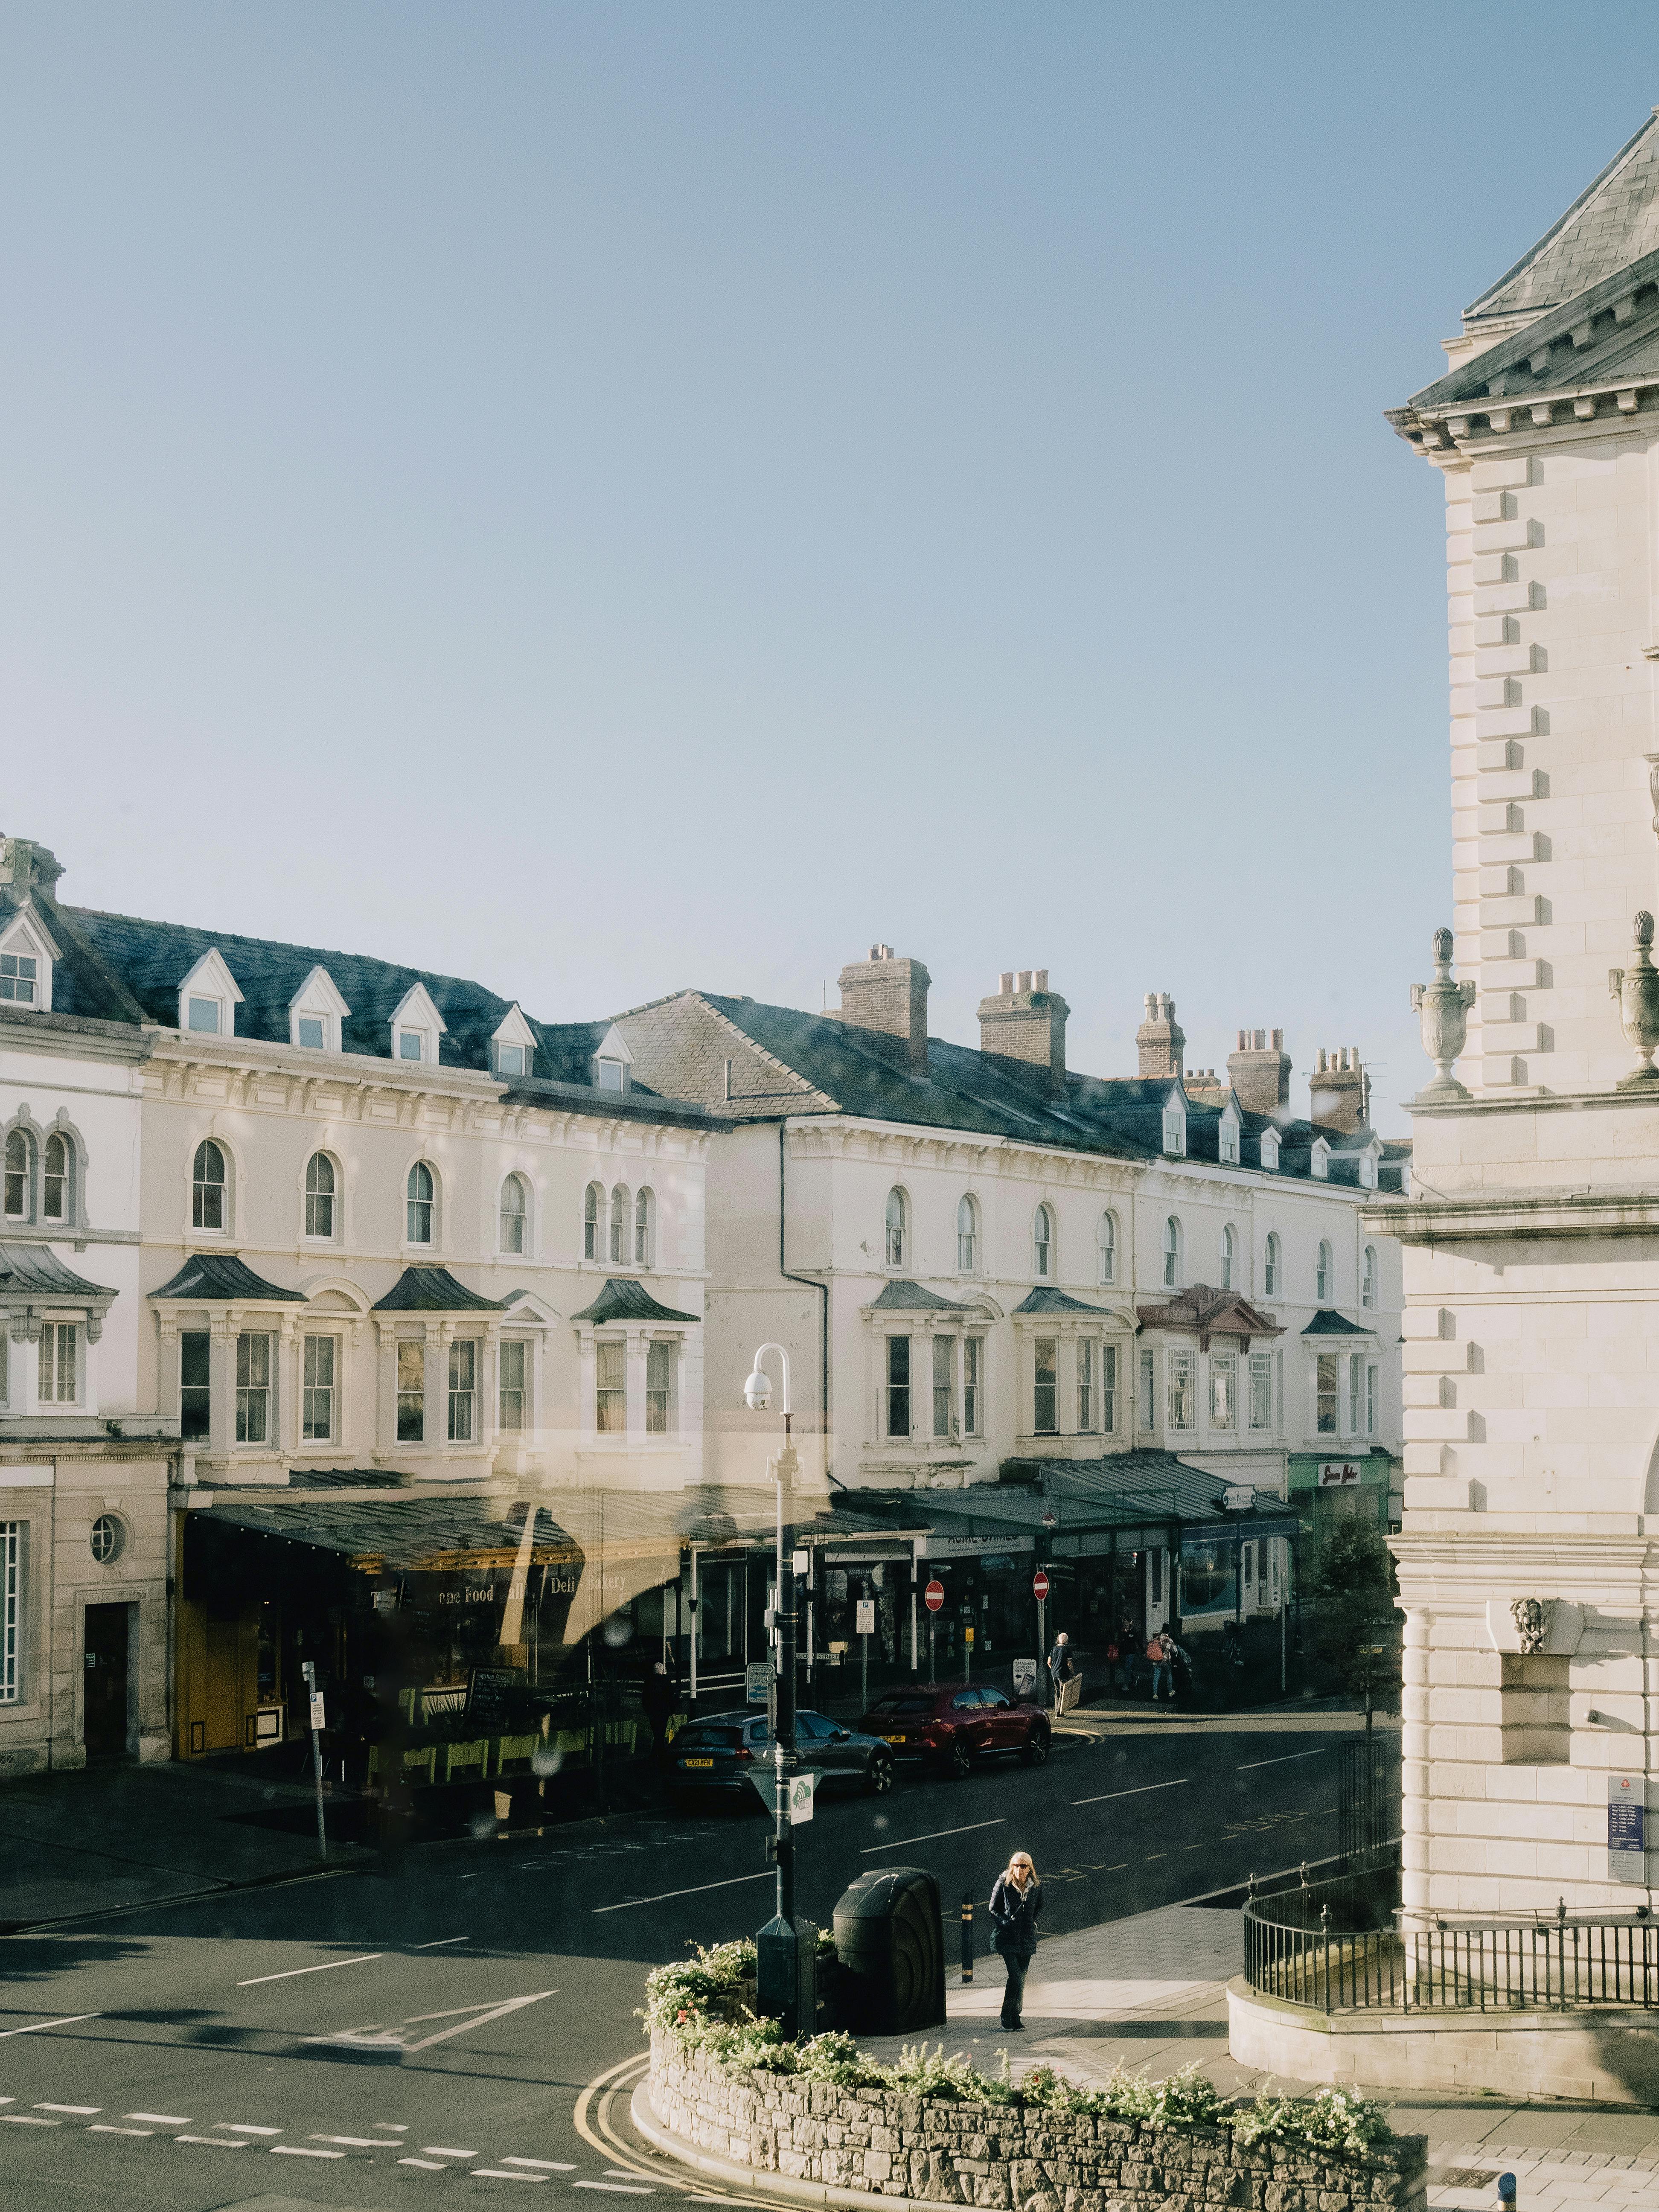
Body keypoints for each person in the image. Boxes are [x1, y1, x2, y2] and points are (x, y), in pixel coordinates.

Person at [988, 1850, 1043, 2031]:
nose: (1019, 1869)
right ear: (1012, 1867)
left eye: (1023, 1866)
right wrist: (1005, 1923)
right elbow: (993, 1908)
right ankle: (1006, 2015)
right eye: (1016, 1866)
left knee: (1020, 1979)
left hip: (1026, 1938)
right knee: (1015, 1976)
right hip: (1008, 1938)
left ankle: (1015, 2016)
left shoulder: (1035, 1886)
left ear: (1029, 1869)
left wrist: (1031, 1921)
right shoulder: (1004, 1884)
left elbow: (1039, 1905)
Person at [641, 1660, 677, 1763]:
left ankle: (659, 1754)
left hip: (652, 1712)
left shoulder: (649, 1682)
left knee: (657, 1732)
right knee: (660, 1733)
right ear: (662, 1671)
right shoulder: (666, 1681)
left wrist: (647, 1710)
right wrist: (673, 1710)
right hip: (663, 1711)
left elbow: (644, 1698)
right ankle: (657, 1755)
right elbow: (671, 1696)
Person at [1047, 1632, 1076, 1712]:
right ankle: (1059, 1713)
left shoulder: (1054, 1649)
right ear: (1066, 1641)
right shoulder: (1067, 1649)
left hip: (1054, 1674)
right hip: (1063, 1674)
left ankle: (1057, 1710)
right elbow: (1069, 1663)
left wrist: (1053, 1669)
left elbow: (1049, 1662)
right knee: (1063, 1693)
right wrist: (1073, 1673)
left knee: (1057, 1693)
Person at [1148, 1628, 1173, 1703]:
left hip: (1155, 1662)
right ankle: (1170, 1691)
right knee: (1169, 1674)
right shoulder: (1166, 1641)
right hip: (1164, 1661)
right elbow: (1172, 1650)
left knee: (1156, 1678)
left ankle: (1155, 1694)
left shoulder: (1153, 1642)